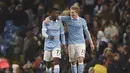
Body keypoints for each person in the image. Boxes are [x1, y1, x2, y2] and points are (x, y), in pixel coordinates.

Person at [45, 4, 94, 73]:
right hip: (69, 48)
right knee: (70, 62)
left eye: (73, 12)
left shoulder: (81, 22)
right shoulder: (65, 21)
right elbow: (56, 17)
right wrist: (48, 18)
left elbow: (86, 33)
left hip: (80, 45)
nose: (71, 13)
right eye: (71, 12)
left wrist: (91, 43)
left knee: (79, 60)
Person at [42, 8, 65, 73]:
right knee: (48, 64)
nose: (57, 14)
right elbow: (43, 33)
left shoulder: (59, 22)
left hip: (57, 45)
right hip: (48, 45)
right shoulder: (45, 22)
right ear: (50, 14)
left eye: (58, 13)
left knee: (56, 60)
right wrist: (48, 36)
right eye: (55, 13)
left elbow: (62, 33)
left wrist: (63, 43)